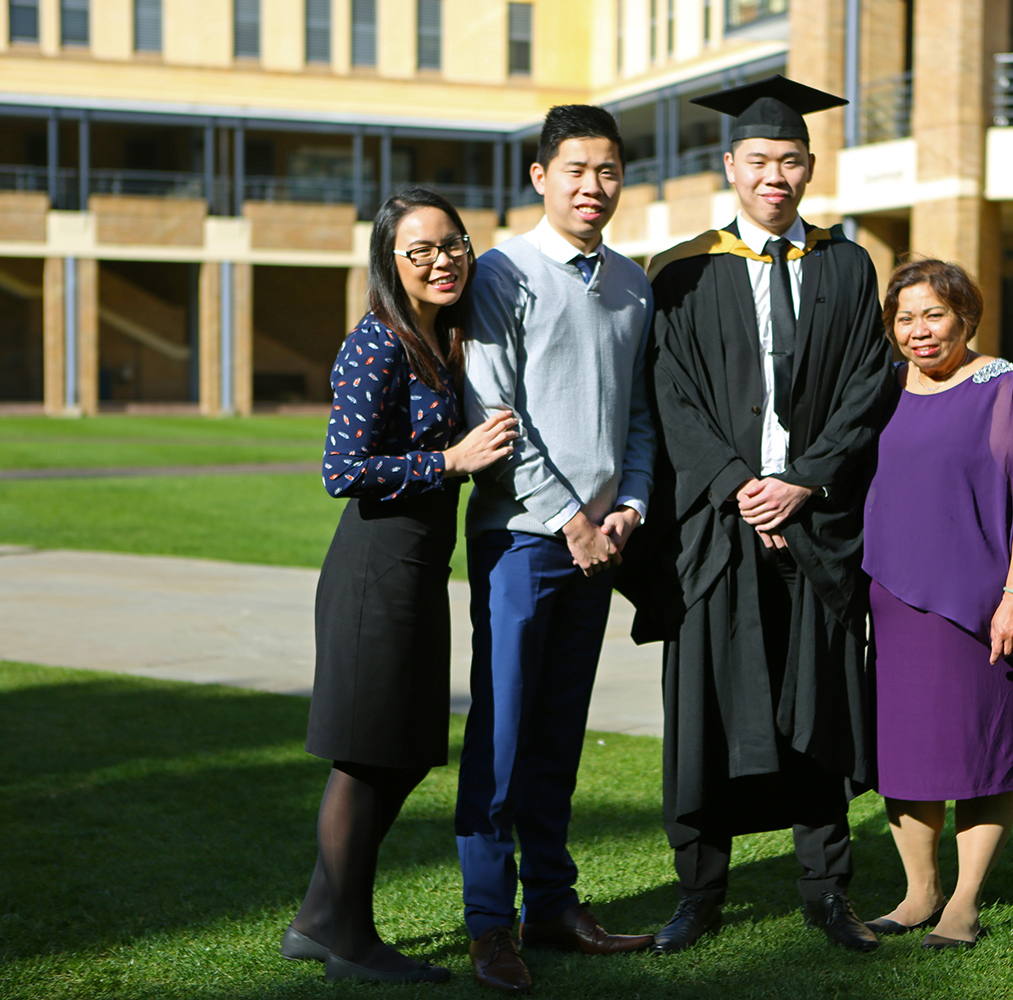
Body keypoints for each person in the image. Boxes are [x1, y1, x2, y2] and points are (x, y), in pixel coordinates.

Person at [626, 75, 894, 955]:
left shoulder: (848, 266)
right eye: (758, 160)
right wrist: (741, 483)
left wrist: (805, 481)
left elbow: (868, 384)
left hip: (816, 524)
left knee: (820, 703)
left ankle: (826, 889)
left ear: (810, 167)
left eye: (790, 160)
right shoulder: (683, 272)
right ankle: (699, 892)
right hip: (718, 525)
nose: (774, 175)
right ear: (730, 166)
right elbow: (670, 393)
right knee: (704, 704)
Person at [284, 187, 517, 984]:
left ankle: (320, 918)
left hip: (418, 566)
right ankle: (347, 937)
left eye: (451, 244)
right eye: (419, 250)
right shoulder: (377, 344)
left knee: (406, 750)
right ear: (391, 262)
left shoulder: (437, 339)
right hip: (373, 567)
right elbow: (339, 471)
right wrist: (449, 462)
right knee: (366, 756)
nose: (441, 260)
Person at [455, 105, 657, 995]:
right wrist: (571, 519)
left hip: (599, 547)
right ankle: (489, 925)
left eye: (608, 171)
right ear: (540, 176)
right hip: (524, 544)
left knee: (558, 736)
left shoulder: (634, 282)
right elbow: (492, 414)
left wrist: (631, 507)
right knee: (501, 736)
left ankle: (553, 903)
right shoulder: (502, 274)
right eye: (575, 170)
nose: (592, 187)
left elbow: (637, 416)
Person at [861, 259, 1013, 950]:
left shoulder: (999, 386)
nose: (920, 331)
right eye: (905, 318)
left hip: (980, 607)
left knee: (982, 754)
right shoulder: (881, 390)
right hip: (894, 600)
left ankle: (966, 904)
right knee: (908, 756)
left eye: (934, 315)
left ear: (965, 318)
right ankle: (920, 894)